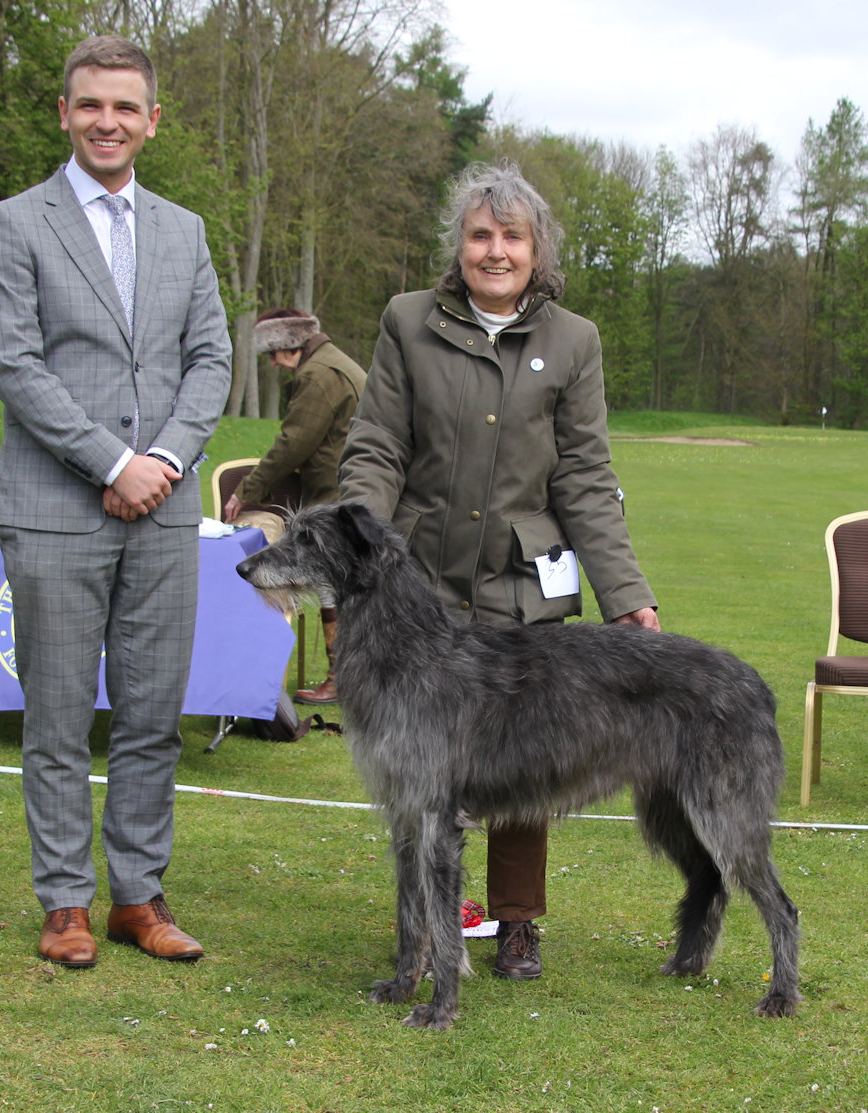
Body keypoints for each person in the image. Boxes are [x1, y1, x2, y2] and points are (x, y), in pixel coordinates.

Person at [338, 160, 660, 981]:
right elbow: (377, 442)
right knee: (418, 765)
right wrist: (359, 537)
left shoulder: (574, 340)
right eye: (481, 234)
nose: (495, 249)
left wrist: (626, 597)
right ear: (461, 243)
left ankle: (517, 923)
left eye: (511, 235)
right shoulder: (408, 322)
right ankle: (424, 932)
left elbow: (585, 476)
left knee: (525, 758)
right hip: (422, 587)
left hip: (524, 583)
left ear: (535, 246)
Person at [0, 35, 232, 968]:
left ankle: (139, 895)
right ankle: (63, 903)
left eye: (126, 107)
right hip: (54, 507)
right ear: (66, 113)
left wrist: (160, 458)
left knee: (151, 715)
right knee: (54, 716)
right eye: (92, 105)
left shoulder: (186, 230)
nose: (108, 121)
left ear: (152, 120)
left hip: (162, 511)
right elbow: (16, 365)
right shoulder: (14, 224)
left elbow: (212, 361)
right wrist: (111, 462)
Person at [224, 308, 366, 704]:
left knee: (327, 583)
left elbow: (293, 444)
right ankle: (354, 677)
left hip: (339, 495)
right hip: (348, 492)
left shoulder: (318, 375)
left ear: (291, 344)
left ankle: (341, 680)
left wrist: (248, 491)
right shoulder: (331, 364)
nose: (272, 362)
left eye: (274, 352)